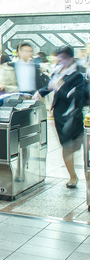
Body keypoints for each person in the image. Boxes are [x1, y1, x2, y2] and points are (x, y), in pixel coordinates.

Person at [38, 46, 88, 189]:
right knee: (66, 146)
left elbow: (77, 95)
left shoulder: (78, 73)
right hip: (59, 114)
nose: (60, 60)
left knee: (79, 146)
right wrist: (40, 92)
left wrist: (59, 85)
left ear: (70, 58)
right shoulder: (58, 70)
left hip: (73, 114)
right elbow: (50, 87)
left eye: (63, 57)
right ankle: (72, 176)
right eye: (59, 57)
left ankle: (86, 177)